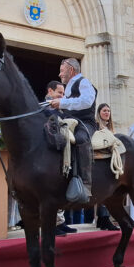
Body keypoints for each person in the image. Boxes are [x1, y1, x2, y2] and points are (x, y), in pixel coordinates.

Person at [49, 58, 97, 199]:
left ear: (71, 70)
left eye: (62, 71)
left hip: (85, 123)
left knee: (81, 139)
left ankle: (86, 184)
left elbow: (87, 101)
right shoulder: (69, 86)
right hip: (69, 122)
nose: (59, 74)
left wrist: (62, 102)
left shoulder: (84, 82)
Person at [44, 80, 76, 234]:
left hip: (63, 154)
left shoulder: (61, 108)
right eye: (59, 93)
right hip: (49, 156)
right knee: (52, 190)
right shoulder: (41, 108)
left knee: (62, 187)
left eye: (63, 94)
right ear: (50, 91)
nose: (62, 96)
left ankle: (61, 222)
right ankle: (53, 225)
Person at [94, 103, 120, 231]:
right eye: (104, 110)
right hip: (101, 161)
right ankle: (104, 219)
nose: (107, 113)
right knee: (105, 192)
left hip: (110, 161)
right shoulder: (96, 126)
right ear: (99, 112)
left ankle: (103, 219)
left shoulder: (110, 128)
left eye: (108, 111)